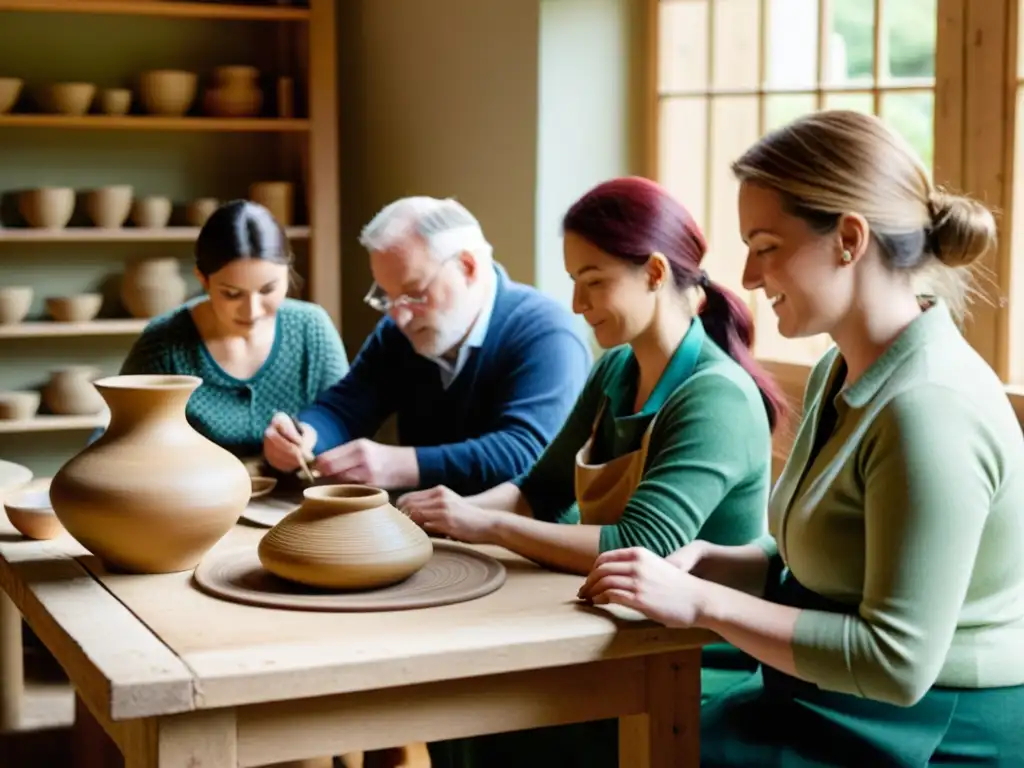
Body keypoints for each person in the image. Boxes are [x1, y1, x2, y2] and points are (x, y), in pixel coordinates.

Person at [580, 110, 1024, 767]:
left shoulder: (928, 408)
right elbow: (843, 552)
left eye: (766, 246)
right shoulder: (840, 367)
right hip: (834, 700)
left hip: (929, 730)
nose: (750, 277)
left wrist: (701, 601)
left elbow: (898, 663)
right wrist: (729, 560)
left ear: (849, 238)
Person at [399, 176, 787, 768]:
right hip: (616, 625)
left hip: (697, 657)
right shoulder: (616, 371)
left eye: (594, 282)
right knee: (458, 707)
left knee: (496, 723)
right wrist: (446, 513)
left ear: (656, 273)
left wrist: (482, 525)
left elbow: (640, 546)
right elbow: (539, 492)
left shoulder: (716, 398)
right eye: (575, 284)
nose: (578, 305)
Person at [262, 195, 593, 495]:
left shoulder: (548, 333)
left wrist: (402, 465)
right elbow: (345, 408)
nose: (399, 316)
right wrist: (305, 435)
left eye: (415, 294)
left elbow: (525, 454)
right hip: (424, 529)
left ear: (467, 266)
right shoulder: (400, 330)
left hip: (520, 540)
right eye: (386, 297)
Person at [115, 200, 349, 460]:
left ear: (287, 271)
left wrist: (310, 439)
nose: (252, 310)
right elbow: (119, 437)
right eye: (232, 294)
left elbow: (345, 420)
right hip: (193, 497)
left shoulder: (311, 329)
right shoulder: (164, 341)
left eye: (268, 289)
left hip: (300, 496)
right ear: (203, 279)